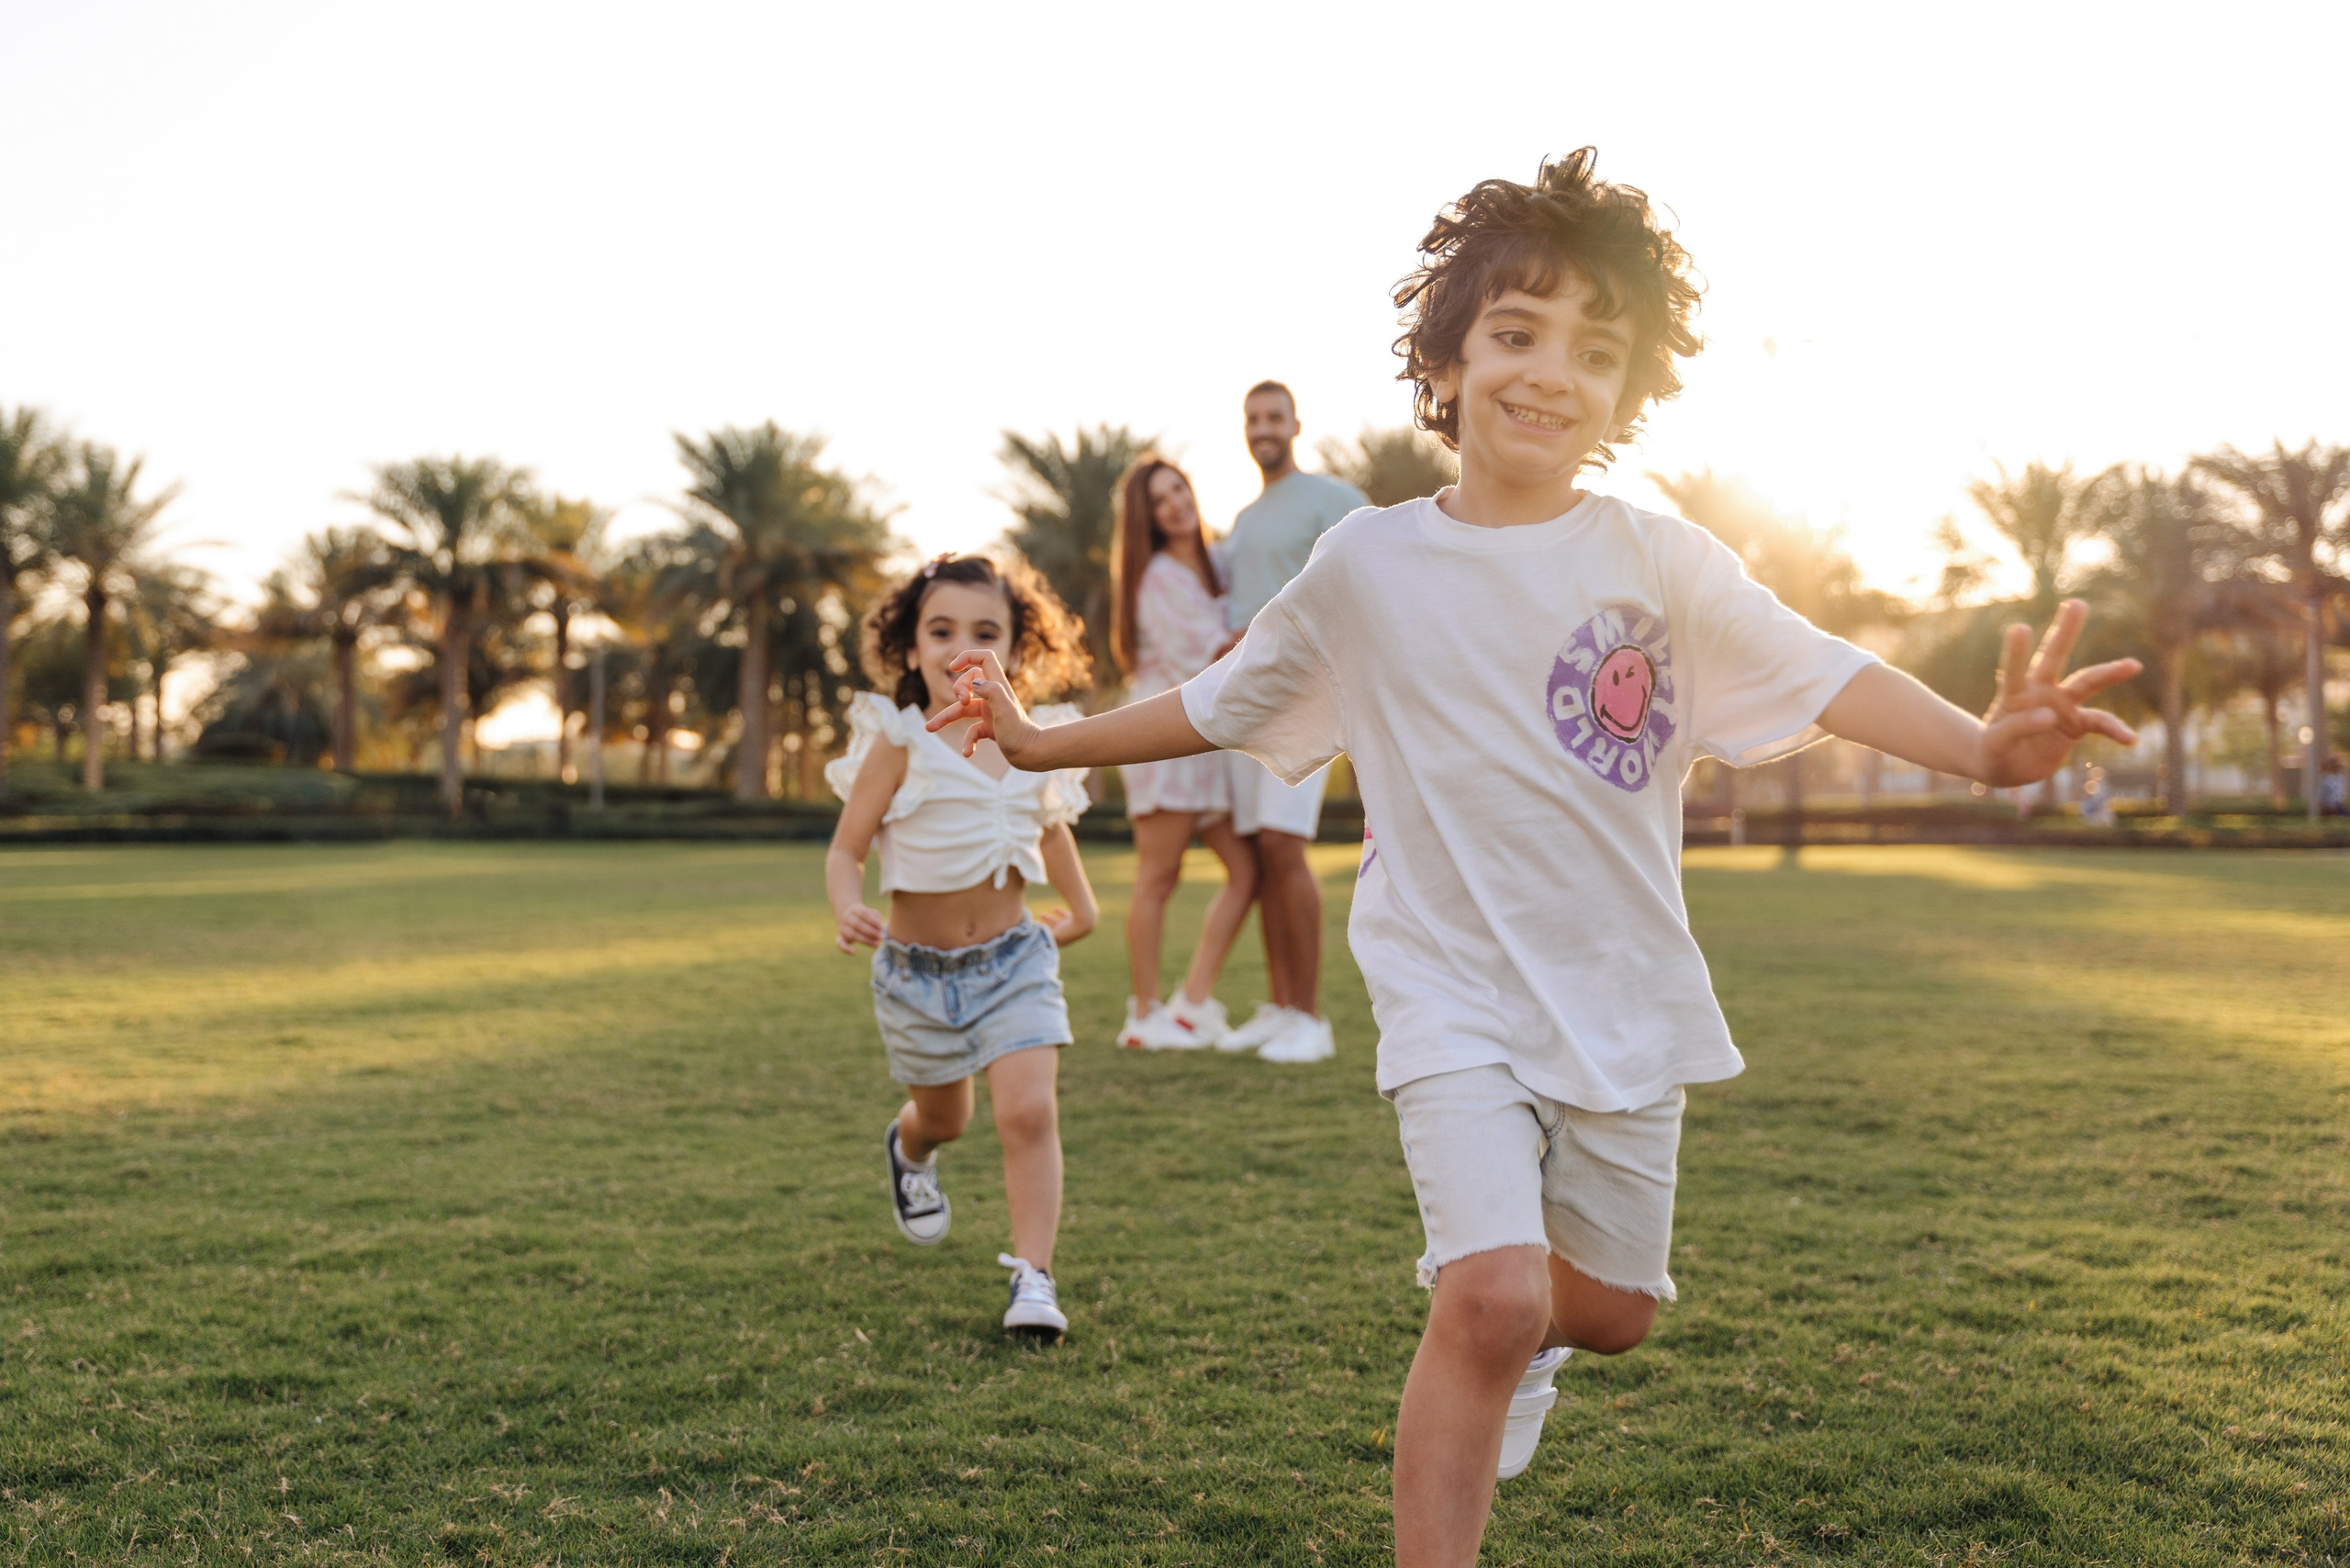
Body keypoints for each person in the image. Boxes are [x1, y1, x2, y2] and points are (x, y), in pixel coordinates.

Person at [926, 149, 2143, 1563]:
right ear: (1446, 358)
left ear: (1631, 390)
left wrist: (1984, 751)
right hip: (1448, 990)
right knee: (1492, 1298)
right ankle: (1482, 1329)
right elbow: (1210, 703)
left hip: (1623, 992)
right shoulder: (1370, 567)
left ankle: (1522, 1324)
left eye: (1595, 349)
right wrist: (1029, 742)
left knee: (1607, 1314)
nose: (1550, 373)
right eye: (1515, 333)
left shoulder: (1664, 562)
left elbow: (1825, 671)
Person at [824, 551, 1100, 1340]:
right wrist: (847, 906)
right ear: (911, 648)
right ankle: (910, 1148)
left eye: (985, 631)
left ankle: (1035, 1279)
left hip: (1015, 961)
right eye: (939, 630)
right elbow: (847, 849)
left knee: (1028, 1110)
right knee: (947, 1118)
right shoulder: (899, 741)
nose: (959, 647)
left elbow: (1049, 832)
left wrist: (1079, 912)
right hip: (917, 976)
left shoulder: (1034, 741)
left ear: (1016, 651)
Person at [1216, 380, 1369, 1065]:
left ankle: (1311, 1019)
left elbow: (1367, 566)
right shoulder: (1245, 519)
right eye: (1253, 418)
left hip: (1304, 698)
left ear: (1296, 424)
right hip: (1246, 704)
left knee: (1285, 848)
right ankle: (1281, 1009)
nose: (1263, 428)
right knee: (1261, 853)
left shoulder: (1331, 499)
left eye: (1274, 417)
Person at [1106, 454, 1262, 1052]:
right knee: (1158, 875)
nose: (1174, 504)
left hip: (1206, 739)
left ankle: (1191, 1003)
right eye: (1159, 500)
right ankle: (1142, 1012)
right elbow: (1205, 653)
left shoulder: (1213, 564)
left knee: (1244, 872)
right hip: (1164, 736)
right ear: (1146, 519)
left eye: (1178, 489)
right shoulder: (1158, 579)